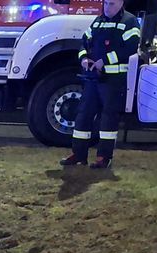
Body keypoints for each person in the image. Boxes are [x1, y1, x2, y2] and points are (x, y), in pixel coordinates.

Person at [60, 0, 141, 169]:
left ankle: (104, 157)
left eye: (111, 4)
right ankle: (78, 155)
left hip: (114, 80)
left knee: (108, 119)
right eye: (105, 4)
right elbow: (84, 42)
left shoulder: (129, 21)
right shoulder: (98, 21)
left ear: (120, 3)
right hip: (93, 78)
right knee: (83, 115)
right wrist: (83, 59)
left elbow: (130, 48)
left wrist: (104, 61)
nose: (107, 7)